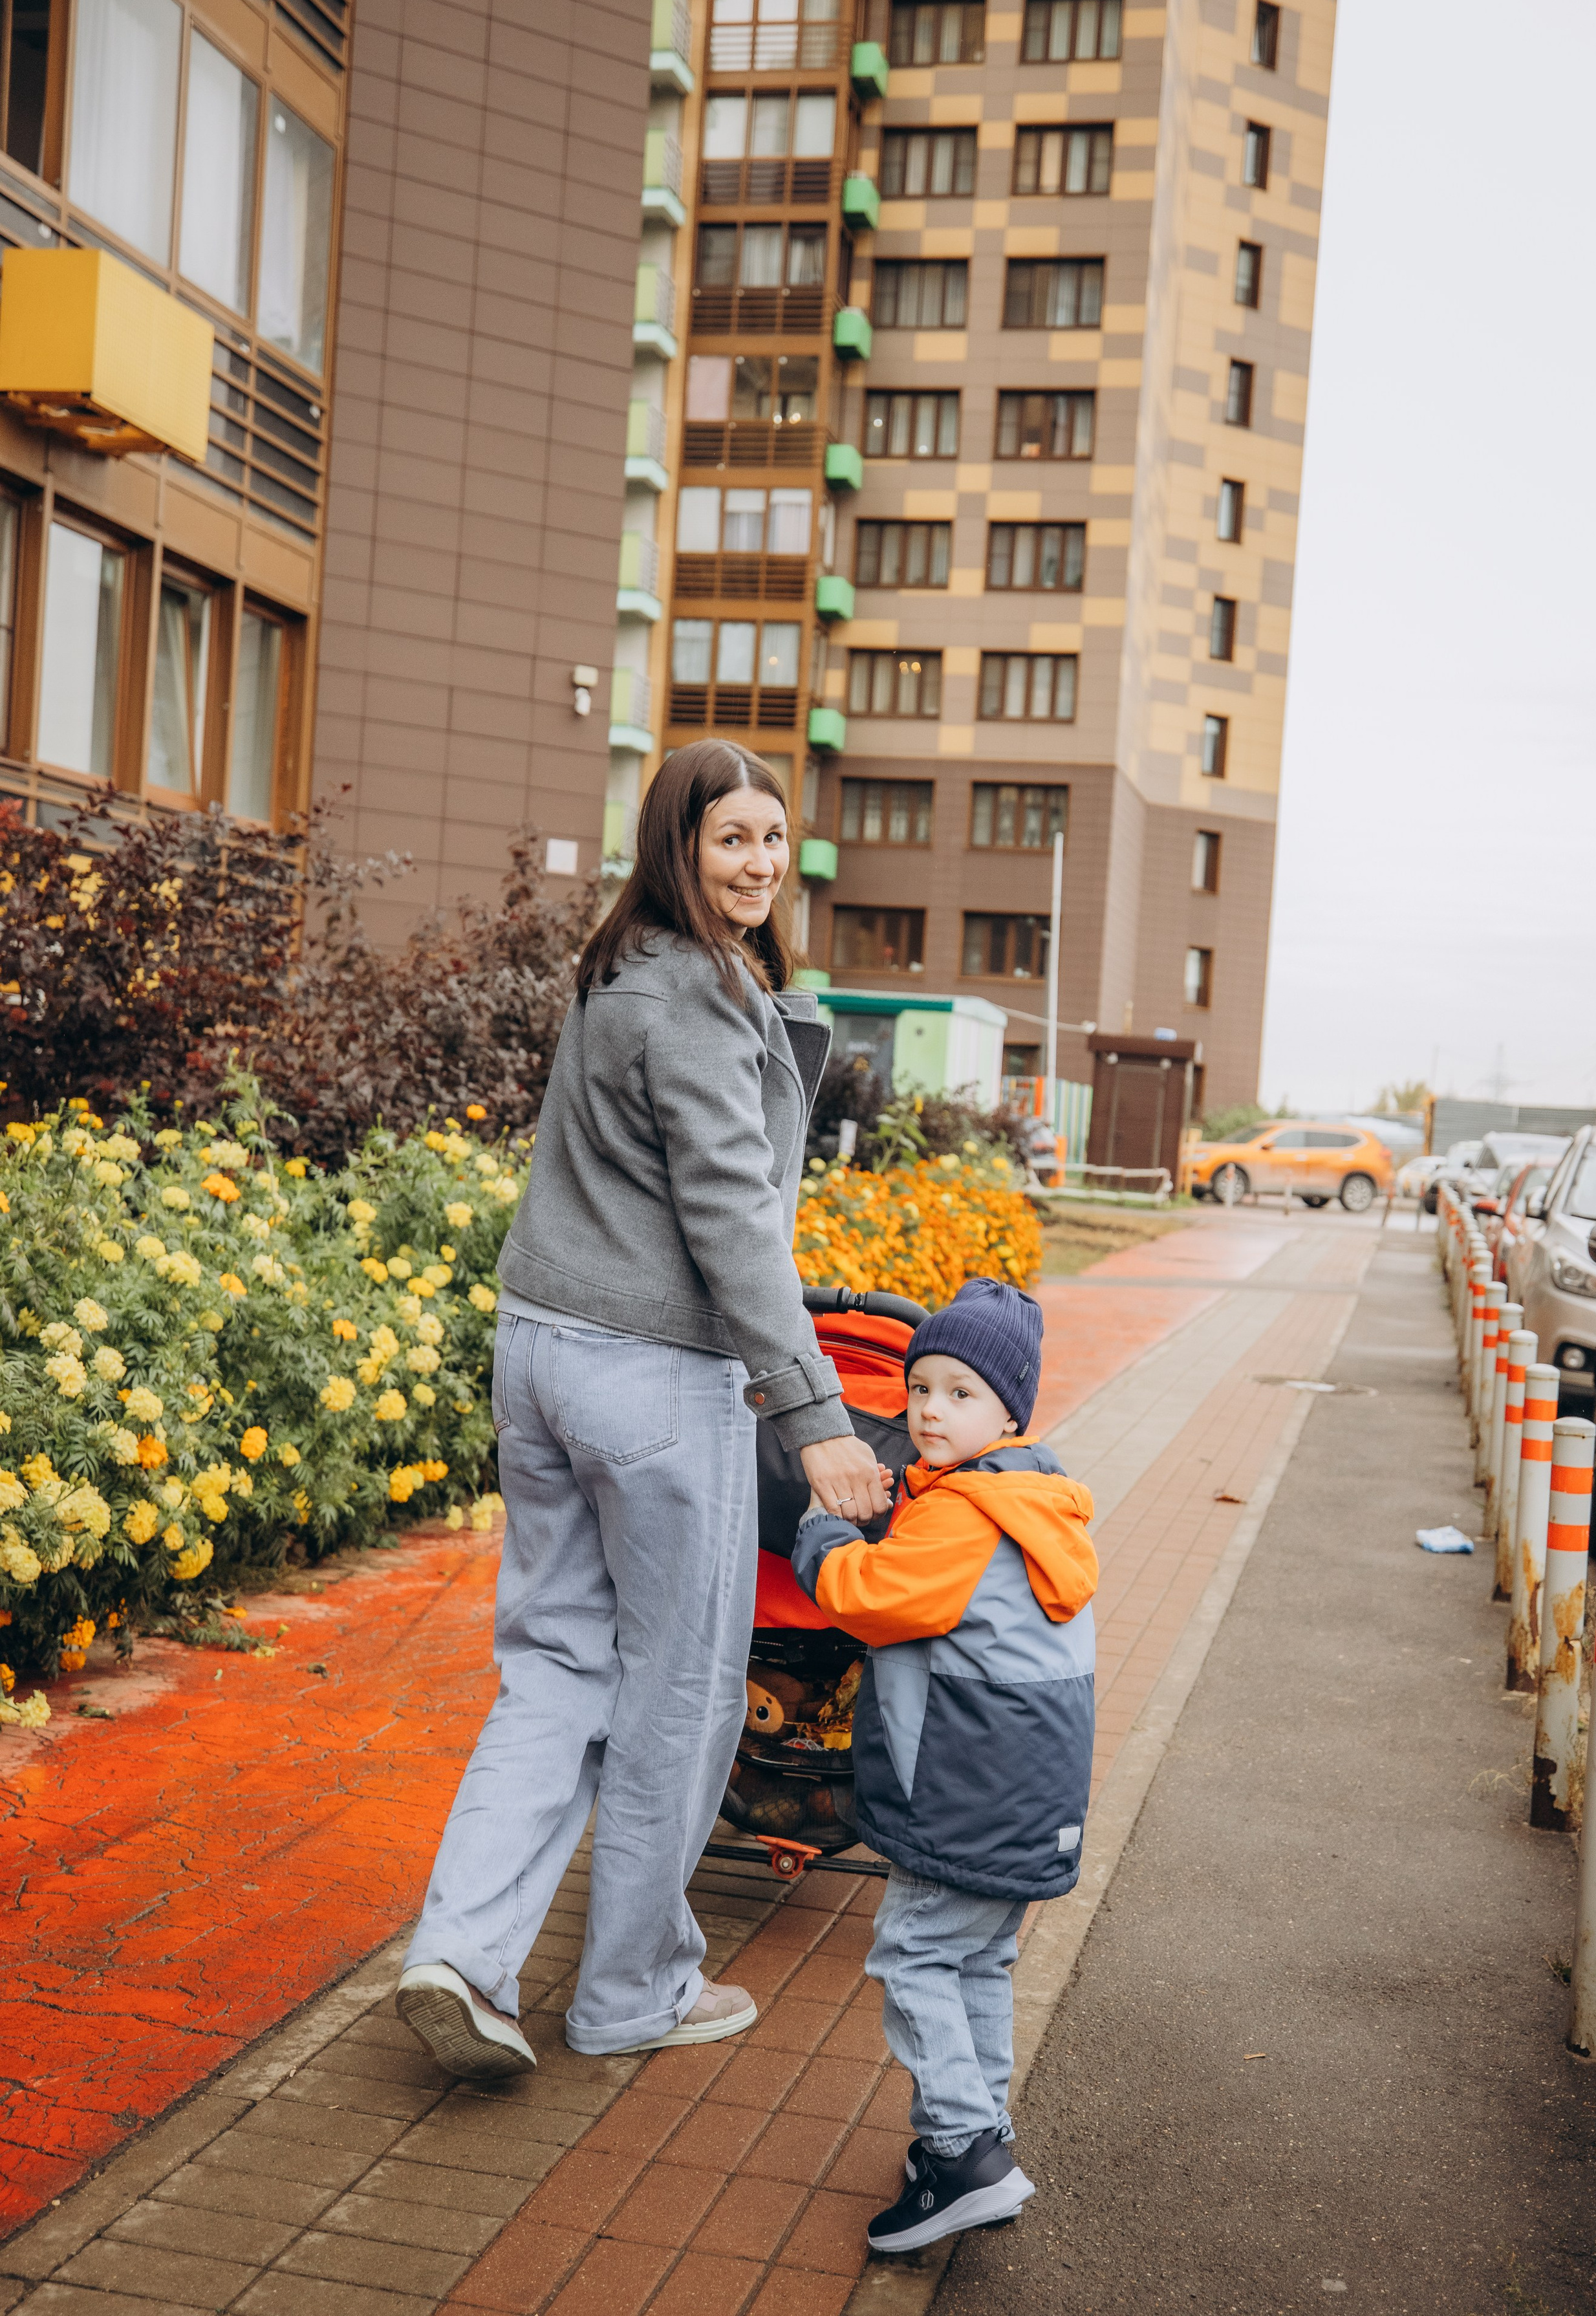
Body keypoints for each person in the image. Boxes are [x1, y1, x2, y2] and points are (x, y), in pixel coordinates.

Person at [396, 741, 888, 2079]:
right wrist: (818, 1418)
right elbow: (733, 1221)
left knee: (554, 1665)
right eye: (732, 838)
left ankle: (460, 1952)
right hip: (652, 1373)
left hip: (541, 1350)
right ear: (680, 844)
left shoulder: (616, 973)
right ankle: (629, 1990)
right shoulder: (698, 998)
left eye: (773, 838)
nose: (759, 862)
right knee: (678, 1690)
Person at [792, 1277, 1098, 2253]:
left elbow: (866, 1596)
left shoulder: (964, 1512)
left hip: (964, 1791)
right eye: (920, 1387)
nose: (929, 1410)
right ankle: (980, 2134)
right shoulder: (1031, 1498)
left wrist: (823, 1527)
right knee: (979, 1958)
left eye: (960, 1393)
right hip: (1028, 1795)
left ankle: (964, 2152)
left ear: (1009, 1413)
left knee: (915, 1953)